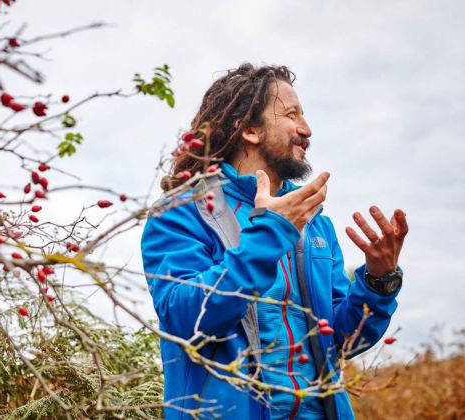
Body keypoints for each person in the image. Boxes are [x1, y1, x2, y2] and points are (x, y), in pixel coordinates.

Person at [140, 63, 408, 419]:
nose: (306, 129)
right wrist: (270, 233)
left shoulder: (314, 223)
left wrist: (378, 281)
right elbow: (185, 317)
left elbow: (341, 338)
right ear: (250, 130)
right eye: (291, 114)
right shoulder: (183, 212)